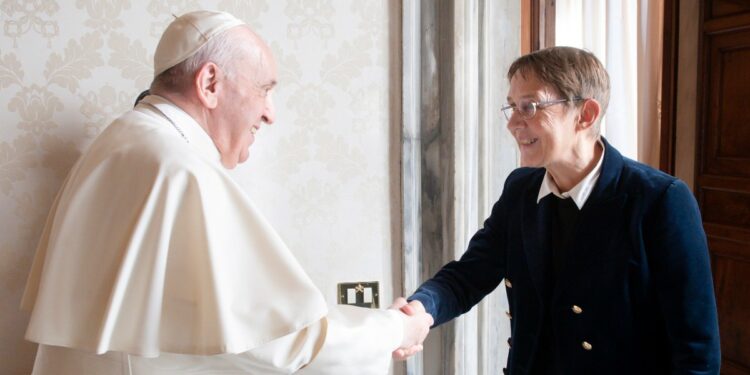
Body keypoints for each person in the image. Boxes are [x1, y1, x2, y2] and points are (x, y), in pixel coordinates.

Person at [21, 10, 432, 375]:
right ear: (210, 82)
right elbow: (281, 343)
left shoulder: (121, 141)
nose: (270, 112)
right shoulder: (179, 168)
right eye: (264, 89)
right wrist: (395, 328)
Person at [395, 46, 721, 374]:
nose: (513, 124)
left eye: (530, 106)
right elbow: (470, 274)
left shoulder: (659, 199)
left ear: (586, 114)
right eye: (512, 107)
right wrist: (421, 310)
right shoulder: (520, 189)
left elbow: (696, 351)